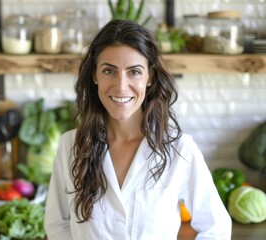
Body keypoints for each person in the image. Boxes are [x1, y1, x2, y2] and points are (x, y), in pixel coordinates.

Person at [44, 19, 232, 239]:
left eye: (134, 72)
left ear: (149, 77)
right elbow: (57, 225)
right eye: (108, 71)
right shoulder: (71, 146)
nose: (121, 86)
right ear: (95, 75)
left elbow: (216, 228)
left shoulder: (179, 149)